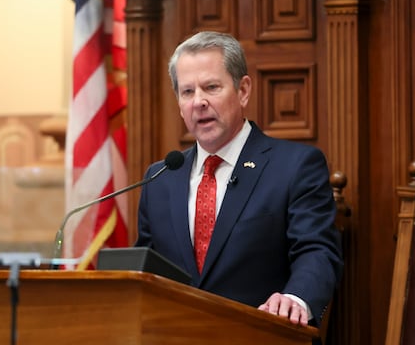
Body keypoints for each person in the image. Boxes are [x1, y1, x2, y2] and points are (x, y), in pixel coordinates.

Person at [134, 31, 343, 331]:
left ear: (243, 90)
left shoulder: (295, 166)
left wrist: (296, 299)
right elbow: (146, 269)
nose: (199, 102)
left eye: (211, 87)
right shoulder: (160, 178)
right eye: (187, 92)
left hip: (263, 335)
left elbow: (318, 251)